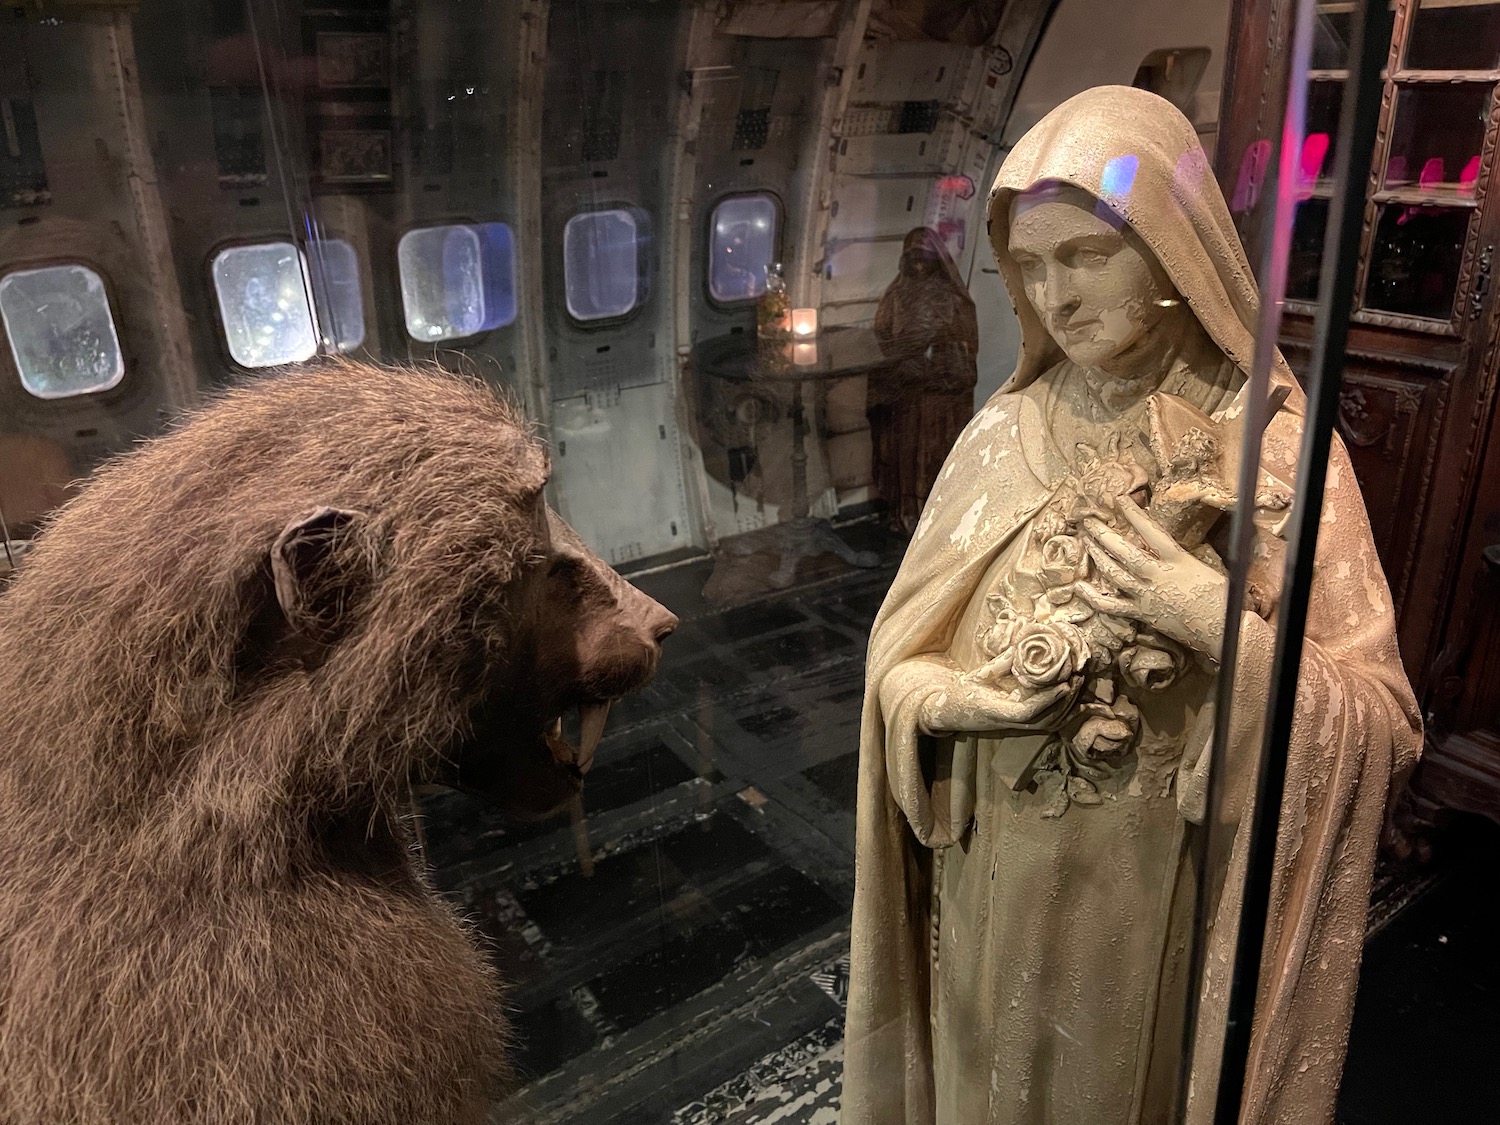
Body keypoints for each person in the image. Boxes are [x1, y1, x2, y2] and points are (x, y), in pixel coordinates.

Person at [840, 87, 1421, 1125]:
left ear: (1173, 251)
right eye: (1030, 264)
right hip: (985, 877)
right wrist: (939, 704)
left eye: (1085, 257)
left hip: (1152, 897)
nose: (1053, 297)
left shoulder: (1278, 454)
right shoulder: (997, 438)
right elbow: (900, 655)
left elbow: (1379, 722)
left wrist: (1213, 621)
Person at [870, 227, 979, 534]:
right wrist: (903, 362)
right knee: (902, 453)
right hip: (905, 390)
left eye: (924, 257)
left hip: (940, 395)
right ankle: (905, 514)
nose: (918, 264)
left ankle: (936, 522)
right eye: (912, 257)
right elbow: (883, 333)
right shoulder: (896, 293)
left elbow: (962, 347)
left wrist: (932, 367)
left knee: (932, 456)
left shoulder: (951, 298)